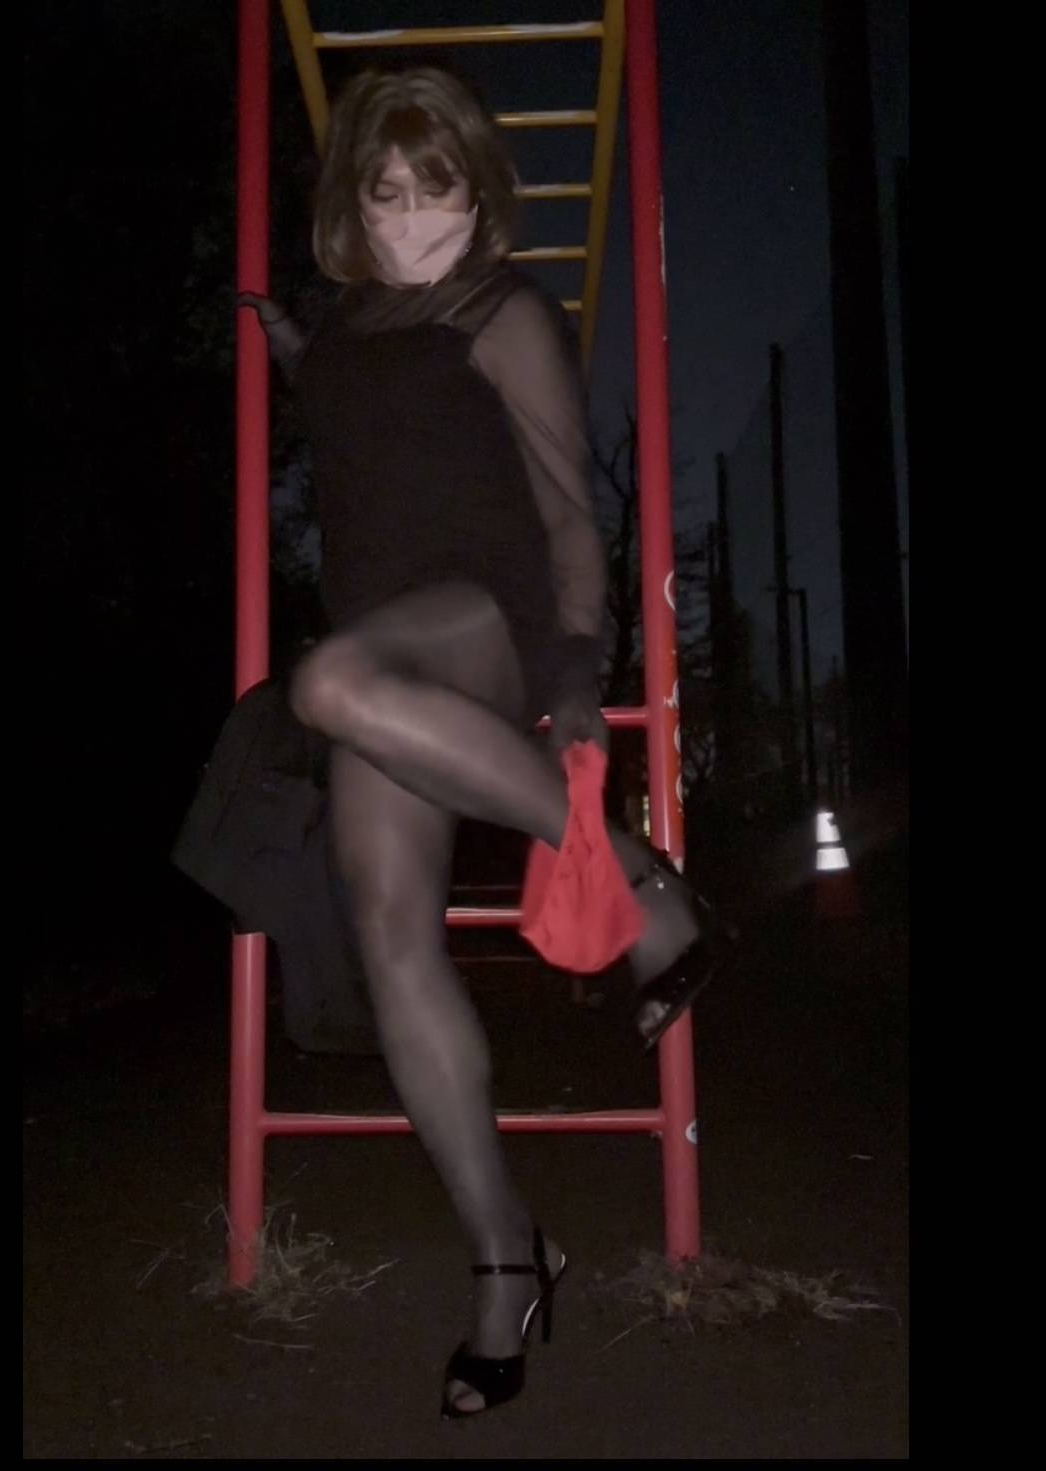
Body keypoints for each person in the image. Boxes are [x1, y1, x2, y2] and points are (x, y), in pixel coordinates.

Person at [238, 66, 717, 1420]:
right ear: (352, 204)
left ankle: (644, 887)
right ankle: (510, 1256)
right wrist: (292, 347)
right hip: (391, 646)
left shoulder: (502, 310)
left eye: (435, 191)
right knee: (393, 937)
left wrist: (576, 674)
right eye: (384, 195)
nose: (410, 224)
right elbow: (364, 420)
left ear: (478, 191)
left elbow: (569, 514)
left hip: (487, 622)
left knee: (326, 680)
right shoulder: (345, 328)